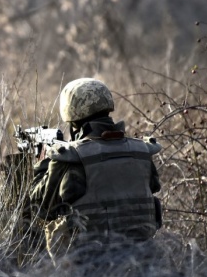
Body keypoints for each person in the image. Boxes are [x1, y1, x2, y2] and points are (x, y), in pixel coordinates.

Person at [28, 77, 163, 261]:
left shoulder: (70, 157)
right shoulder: (142, 151)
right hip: (145, 260)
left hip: (88, 269)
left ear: (72, 118)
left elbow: (41, 207)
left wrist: (43, 163)